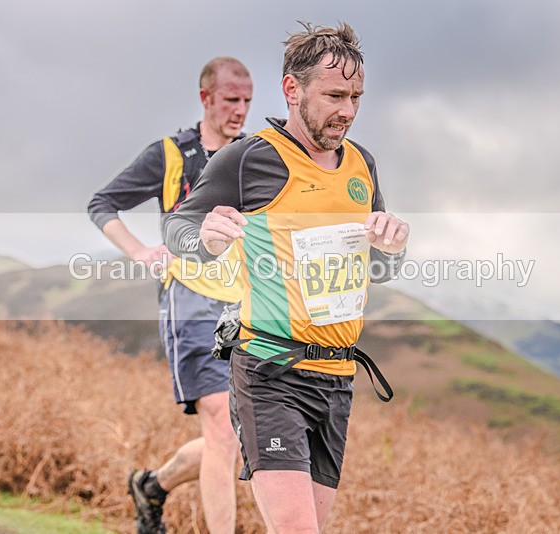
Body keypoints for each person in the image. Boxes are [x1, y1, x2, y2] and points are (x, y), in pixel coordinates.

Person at [165, 23, 409, 533]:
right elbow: (177, 227)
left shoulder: (363, 165)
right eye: (335, 95)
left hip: (337, 380)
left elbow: (379, 270)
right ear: (292, 90)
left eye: (357, 97)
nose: (347, 109)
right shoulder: (251, 157)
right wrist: (204, 238)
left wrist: (392, 247)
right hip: (269, 373)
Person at [87, 56, 253, 534]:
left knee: (238, 439)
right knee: (223, 425)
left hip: (244, 305)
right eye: (230, 100)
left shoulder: (252, 154)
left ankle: (153, 486)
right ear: (206, 98)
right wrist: (140, 250)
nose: (240, 110)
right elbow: (103, 203)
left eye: (246, 100)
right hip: (189, 303)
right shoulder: (171, 154)